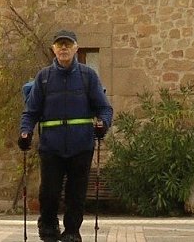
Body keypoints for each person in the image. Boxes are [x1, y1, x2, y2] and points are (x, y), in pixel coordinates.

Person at [18, 30, 113, 242]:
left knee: (76, 194)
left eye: (67, 45)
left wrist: (102, 124)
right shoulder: (44, 78)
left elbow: (105, 109)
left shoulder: (89, 76)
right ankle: (49, 227)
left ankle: (72, 231)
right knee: (49, 193)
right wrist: (25, 131)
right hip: (51, 146)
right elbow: (30, 111)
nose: (63, 48)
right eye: (59, 45)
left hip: (82, 146)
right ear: (53, 49)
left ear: (76, 48)